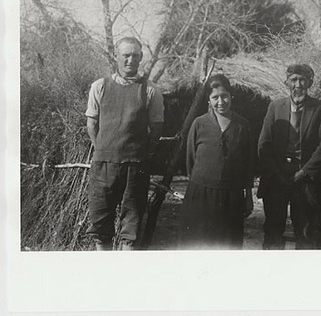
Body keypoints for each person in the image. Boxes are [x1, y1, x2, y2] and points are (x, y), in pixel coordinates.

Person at [85, 36, 164, 251]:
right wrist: (102, 149)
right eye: (126, 55)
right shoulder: (100, 86)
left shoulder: (150, 90)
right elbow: (91, 125)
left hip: (135, 167)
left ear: (141, 58)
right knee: (101, 228)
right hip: (103, 166)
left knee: (131, 227)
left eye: (135, 56)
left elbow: (156, 129)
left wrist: (141, 153)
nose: (131, 60)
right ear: (116, 57)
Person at [257, 64, 321, 249]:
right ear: (286, 83)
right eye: (294, 80)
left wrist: (304, 172)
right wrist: (277, 173)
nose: (298, 85)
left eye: (303, 80)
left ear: (310, 82)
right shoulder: (275, 107)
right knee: (273, 232)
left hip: (305, 179)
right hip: (276, 177)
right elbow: (264, 144)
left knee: (306, 233)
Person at [180, 74, 255, 249]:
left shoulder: (243, 126)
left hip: (232, 196)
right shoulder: (199, 124)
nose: (220, 101)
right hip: (200, 196)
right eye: (215, 97)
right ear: (208, 100)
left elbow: (248, 165)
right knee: (198, 245)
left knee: (227, 247)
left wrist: (248, 196)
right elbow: (190, 161)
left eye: (224, 96)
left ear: (231, 96)